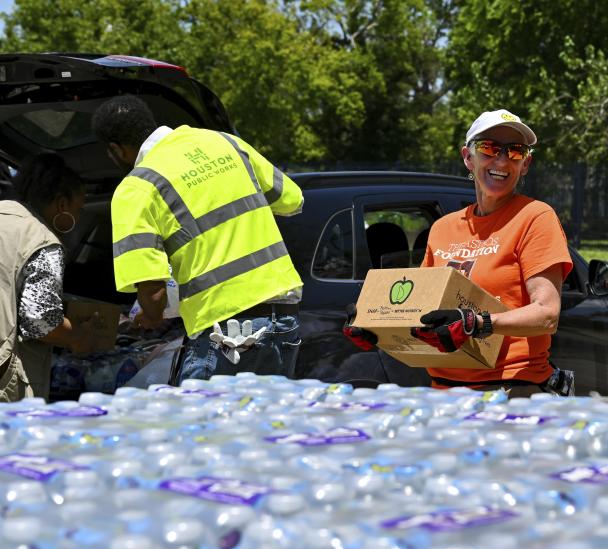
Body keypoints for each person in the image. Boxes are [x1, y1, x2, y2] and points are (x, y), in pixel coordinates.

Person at [344, 109, 574, 397]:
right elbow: (423, 313)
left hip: (513, 391)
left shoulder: (535, 217)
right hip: (446, 394)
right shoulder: (443, 228)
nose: (501, 160)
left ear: (525, 164)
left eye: (514, 151)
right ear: (468, 157)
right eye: (488, 148)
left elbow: (547, 315)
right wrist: (376, 327)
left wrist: (478, 323)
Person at [92, 95, 305, 382]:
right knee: (267, 424)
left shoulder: (136, 189)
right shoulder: (227, 143)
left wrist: (146, 316)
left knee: (210, 427)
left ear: (115, 150)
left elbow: (153, 300)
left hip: (225, 334)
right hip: (284, 317)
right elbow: (293, 201)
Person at [0, 154, 96, 401]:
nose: (78, 216)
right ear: (62, 205)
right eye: (79, 208)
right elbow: (39, 319)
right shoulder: (41, 240)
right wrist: (78, 337)